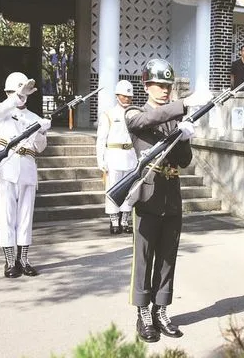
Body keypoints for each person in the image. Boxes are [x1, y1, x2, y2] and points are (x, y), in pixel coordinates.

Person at [124, 58, 210, 343]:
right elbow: (146, 121)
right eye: (159, 85)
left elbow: (184, 161)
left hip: (171, 195)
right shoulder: (135, 113)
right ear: (147, 86)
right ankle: (143, 312)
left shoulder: (173, 118)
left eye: (168, 86)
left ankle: (161, 309)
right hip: (148, 195)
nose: (164, 90)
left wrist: (184, 136)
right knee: (144, 257)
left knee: (167, 258)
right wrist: (183, 105)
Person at [0, 72, 51, 278]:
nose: (21, 96)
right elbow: (1, 110)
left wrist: (42, 132)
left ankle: (23, 259)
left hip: (27, 166)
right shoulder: (2, 111)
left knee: (25, 216)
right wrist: (16, 94)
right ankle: (9, 261)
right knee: (7, 215)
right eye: (15, 92)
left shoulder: (34, 118)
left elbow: (39, 147)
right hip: (7, 166)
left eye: (25, 93)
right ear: (8, 93)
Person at [96, 80, 138, 235]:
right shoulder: (108, 114)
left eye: (129, 96)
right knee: (112, 189)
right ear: (117, 96)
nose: (127, 99)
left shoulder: (136, 113)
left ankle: (125, 220)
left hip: (130, 155)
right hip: (113, 155)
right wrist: (101, 160)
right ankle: (114, 221)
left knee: (130, 190)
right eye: (124, 96)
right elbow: (101, 139)